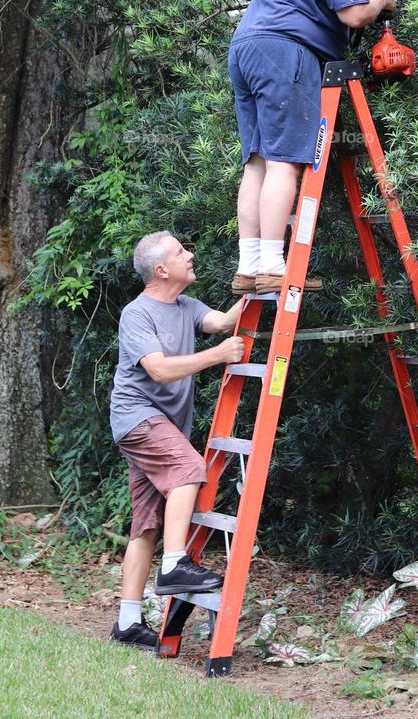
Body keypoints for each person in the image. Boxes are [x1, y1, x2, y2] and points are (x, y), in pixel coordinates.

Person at [228, 0, 397, 293]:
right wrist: (381, 0)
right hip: (287, 53)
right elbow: (355, 14)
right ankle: (275, 266)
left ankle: (250, 265)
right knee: (285, 162)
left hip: (246, 49)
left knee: (259, 161)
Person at [108, 230, 244, 649]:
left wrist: (258, 284)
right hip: (138, 419)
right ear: (162, 269)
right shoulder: (137, 314)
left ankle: (128, 623)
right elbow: (160, 370)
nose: (192, 254)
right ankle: (174, 565)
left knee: (145, 525)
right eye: (182, 251)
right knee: (189, 467)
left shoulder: (186, 307)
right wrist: (218, 355)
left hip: (158, 426)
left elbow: (223, 322)